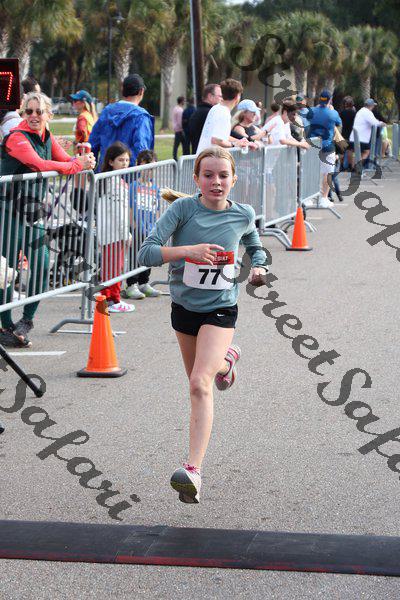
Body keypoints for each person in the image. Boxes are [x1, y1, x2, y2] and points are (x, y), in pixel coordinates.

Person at [138, 146, 268, 503]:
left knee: (199, 384)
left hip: (221, 309)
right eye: (208, 175)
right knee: (203, 377)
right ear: (196, 179)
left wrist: (259, 267)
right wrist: (187, 251)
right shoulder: (182, 210)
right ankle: (227, 362)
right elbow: (146, 252)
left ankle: (193, 470)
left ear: (234, 179)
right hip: (184, 308)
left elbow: (256, 248)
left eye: (223, 175)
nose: (216, 182)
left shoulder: (243, 214)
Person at [0, 91, 95, 347]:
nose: (33, 116)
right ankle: (5, 325)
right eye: (29, 111)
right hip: (7, 211)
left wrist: (83, 161)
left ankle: (26, 321)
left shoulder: (47, 136)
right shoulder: (16, 138)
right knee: (5, 272)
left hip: (33, 213)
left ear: (48, 115)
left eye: (39, 112)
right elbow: (40, 164)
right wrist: (77, 165)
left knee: (42, 266)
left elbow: (64, 160)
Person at [89, 73, 154, 171]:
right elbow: (142, 150)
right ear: (141, 91)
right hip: (129, 174)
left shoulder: (107, 111)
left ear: (122, 90)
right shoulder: (141, 117)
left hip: (105, 173)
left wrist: (91, 169)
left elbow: (92, 144)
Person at [98, 142, 134, 313]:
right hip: (113, 232)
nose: (125, 163)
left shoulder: (113, 180)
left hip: (112, 232)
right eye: (121, 160)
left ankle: (111, 298)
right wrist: (125, 233)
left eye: (127, 160)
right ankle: (111, 299)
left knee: (113, 267)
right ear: (111, 161)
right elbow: (118, 211)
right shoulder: (113, 182)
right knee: (113, 268)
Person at [124, 149, 162, 300]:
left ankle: (144, 282)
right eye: (146, 167)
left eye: (152, 168)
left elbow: (157, 210)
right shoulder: (133, 186)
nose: (148, 171)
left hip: (150, 228)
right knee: (135, 256)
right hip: (137, 228)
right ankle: (131, 284)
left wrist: (156, 228)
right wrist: (133, 226)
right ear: (139, 165)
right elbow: (130, 207)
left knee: (148, 256)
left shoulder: (155, 189)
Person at [196, 79, 255, 155]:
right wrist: (234, 144)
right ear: (237, 96)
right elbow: (216, 140)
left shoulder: (216, 108)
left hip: (205, 156)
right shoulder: (223, 112)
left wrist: (240, 141)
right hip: (210, 158)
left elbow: (222, 137)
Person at [309, 90, 342, 208]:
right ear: (330, 100)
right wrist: (331, 110)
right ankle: (324, 198)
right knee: (327, 173)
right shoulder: (332, 113)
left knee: (311, 171)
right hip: (327, 146)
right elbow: (338, 123)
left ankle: (309, 198)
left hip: (313, 145)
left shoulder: (312, 111)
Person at [349, 99, 384, 170]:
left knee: (354, 152)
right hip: (362, 138)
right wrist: (381, 123)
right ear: (371, 106)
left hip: (353, 137)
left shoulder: (360, 111)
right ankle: (357, 167)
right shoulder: (368, 112)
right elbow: (374, 122)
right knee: (366, 152)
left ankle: (353, 167)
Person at [188, 84, 222, 154]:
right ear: (210, 96)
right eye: (220, 96)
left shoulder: (199, 111)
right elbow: (222, 134)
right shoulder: (209, 113)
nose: (222, 99)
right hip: (207, 155)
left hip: (201, 154)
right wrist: (240, 139)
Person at [339, 96, 356, 171]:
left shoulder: (341, 113)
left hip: (343, 133)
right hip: (351, 134)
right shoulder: (354, 113)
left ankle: (341, 166)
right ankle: (350, 166)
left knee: (342, 151)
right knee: (350, 150)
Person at [172, 96, 185, 161]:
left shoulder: (175, 108)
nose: (184, 102)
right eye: (184, 101)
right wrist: (183, 129)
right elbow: (180, 122)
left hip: (176, 129)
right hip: (180, 130)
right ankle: (183, 157)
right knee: (184, 145)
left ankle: (174, 157)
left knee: (176, 146)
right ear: (181, 101)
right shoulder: (180, 110)